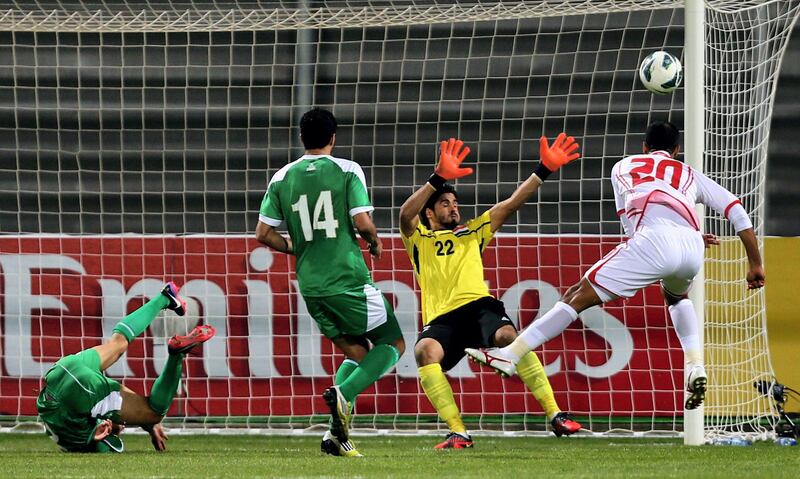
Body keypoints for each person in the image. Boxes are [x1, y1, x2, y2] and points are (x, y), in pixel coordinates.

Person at [467, 120, 766, 412]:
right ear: (676, 150)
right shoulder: (688, 173)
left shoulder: (623, 166)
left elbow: (632, 225)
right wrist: (755, 263)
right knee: (676, 296)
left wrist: (654, 253)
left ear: (645, 147)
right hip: (692, 245)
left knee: (575, 295)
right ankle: (695, 364)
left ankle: (512, 354)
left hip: (653, 240)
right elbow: (735, 209)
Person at [398, 135, 583, 449]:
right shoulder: (418, 239)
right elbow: (405, 214)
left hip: (479, 306)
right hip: (443, 319)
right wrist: (437, 178)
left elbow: (511, 204)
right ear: (430, 213)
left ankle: (555, 415)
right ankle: (459, 432)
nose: (454, 208)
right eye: (445, 203)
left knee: (509, 338)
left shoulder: (473, 231)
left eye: (456, 203)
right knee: (423, 351)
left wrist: (544, 169)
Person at [256, 107, 406, 457]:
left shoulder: (281, 177)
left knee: (357, 353)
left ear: (301, 138)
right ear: (333, 137)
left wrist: (297, 248)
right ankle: (344, 394)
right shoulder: (347, 170)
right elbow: (362, 221)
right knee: (393, 342)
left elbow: (263, 232)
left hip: (311, 287)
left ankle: (334, 437)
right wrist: (374, 241)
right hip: (347, 279)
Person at [37, 282, 216, 453]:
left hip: (81, 394)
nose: (123, 426)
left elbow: (103, 428)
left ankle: (176, 356)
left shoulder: (87, 438)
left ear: (104, 430)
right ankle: (164, 298)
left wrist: (148, 420)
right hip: (61, 371)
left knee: (154, 413)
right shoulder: (67, 433)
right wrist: (143, 421)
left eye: (118, 430)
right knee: (118, 343)